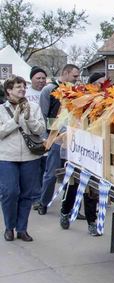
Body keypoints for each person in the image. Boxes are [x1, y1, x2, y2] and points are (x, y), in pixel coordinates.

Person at [57, 71, 105, 236]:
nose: (102, 86)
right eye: (99, 82)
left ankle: (92, 223)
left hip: (95, 150)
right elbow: (67, 121)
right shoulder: (80, 100)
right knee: (74, 185)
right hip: (79, 149)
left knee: (92, 188)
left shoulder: (107, 103)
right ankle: (65, 211)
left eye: (105, 83)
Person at [0, 75, 46, 242]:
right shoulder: (1, 109)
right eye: (18, 87)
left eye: (23, 87)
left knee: (27, 194)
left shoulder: (33, 107)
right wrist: (15, 119)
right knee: (9, 192)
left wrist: (28, 118)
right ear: (8, 91)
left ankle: (22, 229)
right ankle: (9, 226)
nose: (22, 89)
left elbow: (41, 129)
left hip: (29, 157)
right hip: (7, 157)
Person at [36, 64, 80, 216]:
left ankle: (69, 208)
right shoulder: (49, 90)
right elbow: (43, 114)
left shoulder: (76, 91)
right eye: (74, 76)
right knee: (51, 173)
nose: (77, 79)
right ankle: (43, 202)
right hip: (55, 137)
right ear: (66, 73)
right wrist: (46, 137)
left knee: (73, 175)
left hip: (73, 137)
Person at [27, 67, 48, 212]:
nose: (41, 81)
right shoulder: (26, 94)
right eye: (38, 78)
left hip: (47, 136)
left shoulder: (48, 92)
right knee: (34, 169)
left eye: (43, 78)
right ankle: (35, 197)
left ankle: (41, 196)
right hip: (31, 136)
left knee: (44, 169)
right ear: (31, 79)